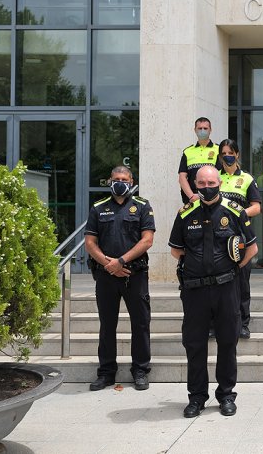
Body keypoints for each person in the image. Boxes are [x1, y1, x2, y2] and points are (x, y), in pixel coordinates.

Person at [169, 166, 258, 418]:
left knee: (227, 342)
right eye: (201, 183)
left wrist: (233, 270)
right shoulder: (186, 213)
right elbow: (176, 250)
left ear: (220, 182)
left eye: (211, 182)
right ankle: (196, 398)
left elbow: (251, 249)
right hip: (194, 290)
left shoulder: (234, 211)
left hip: (226, 288)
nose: (207, 187)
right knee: (195, 345)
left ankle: (226, 395)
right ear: (195, 185)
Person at [85, 166, 154, 391]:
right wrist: (109, 265)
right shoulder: (98, 208)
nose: (120, 182)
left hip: (134, 275)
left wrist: (121, 262)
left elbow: (147, 240)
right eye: (116, 179)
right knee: (107, 325)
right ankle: (106, 373)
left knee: (141, 323)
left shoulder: (143, 206)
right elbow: (90, 243)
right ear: (109, 181)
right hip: (106, 276)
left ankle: (140, 370)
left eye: (124, 179)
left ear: (131, 181)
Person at [218, 138, 261, 339]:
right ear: (220, 156)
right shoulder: (213, 177)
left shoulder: (246, 179)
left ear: (237, 154)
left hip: (240, 236)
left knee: (242, 282)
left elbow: (257, 207)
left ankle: (243, 324)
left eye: (231, 152)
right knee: (215, 283)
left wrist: (240, 212)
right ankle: (212, 324)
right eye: (224, 153)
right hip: (216, 238)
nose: (228, 156)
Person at [178, 117, 222, 204]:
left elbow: (221, 176)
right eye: (200, 128)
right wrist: (192, 196)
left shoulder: (218, 150)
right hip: (192, 199)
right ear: (195, 130)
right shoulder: (187, 151)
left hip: (212, 199)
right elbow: (182, 177)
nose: (202, 131)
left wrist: (211, 196)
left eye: (205, 128)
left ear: (210, 130)